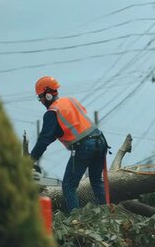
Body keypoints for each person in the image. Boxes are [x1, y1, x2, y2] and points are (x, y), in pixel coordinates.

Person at [30, 76, 109, 212]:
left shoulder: (52, 112)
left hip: (84, 146)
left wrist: (30, 160)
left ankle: (76, 220)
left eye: (40, 97)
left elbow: (44, 139)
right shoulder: (71, 101)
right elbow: (65, 128)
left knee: (68, 186)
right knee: (96, 181)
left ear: (47, 95)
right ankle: (107, 214)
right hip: (100, 141)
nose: (41, 101)